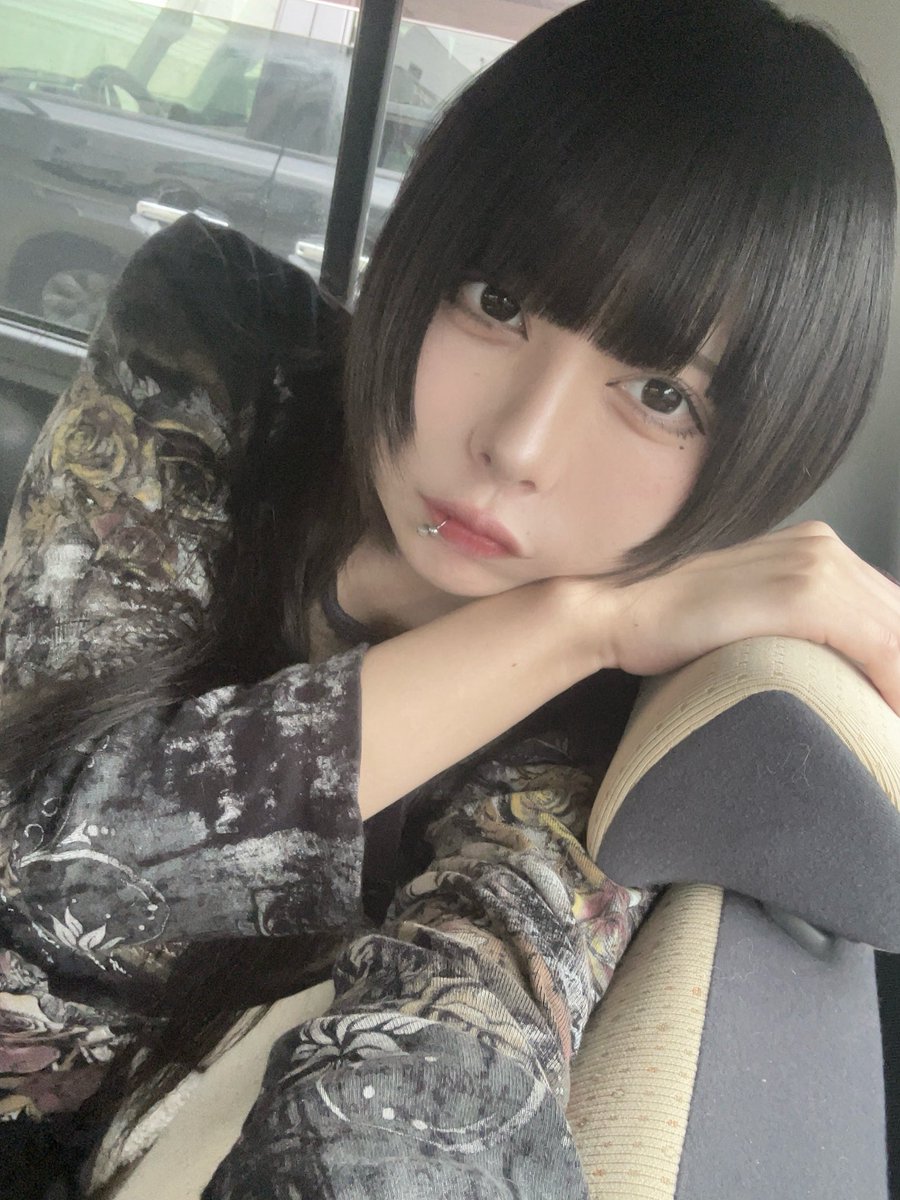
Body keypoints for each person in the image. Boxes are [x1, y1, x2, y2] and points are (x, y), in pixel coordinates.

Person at [1, 0, 898, 1195]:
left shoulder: (576, 759)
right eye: (497, 300)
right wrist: (574, 618)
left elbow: (449, 1066)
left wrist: (584, 636)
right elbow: (39, 849)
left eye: (662, 396)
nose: (518, 445)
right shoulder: (216, 337)